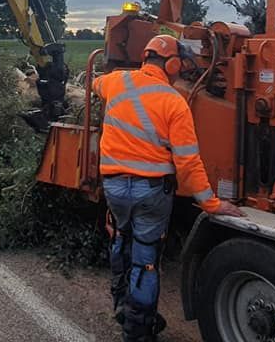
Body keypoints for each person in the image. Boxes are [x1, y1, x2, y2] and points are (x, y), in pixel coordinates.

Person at [92, 35, 243, 342]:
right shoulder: (175, 102)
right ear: (172, 64)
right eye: (179, 65)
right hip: (151, 193)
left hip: (115, 188)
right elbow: (188, 163)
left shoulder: (116, 82)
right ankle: (138, 330)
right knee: (146, 260)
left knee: (121, 239)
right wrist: (212, 204)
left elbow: (96, 84)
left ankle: (122, 304)